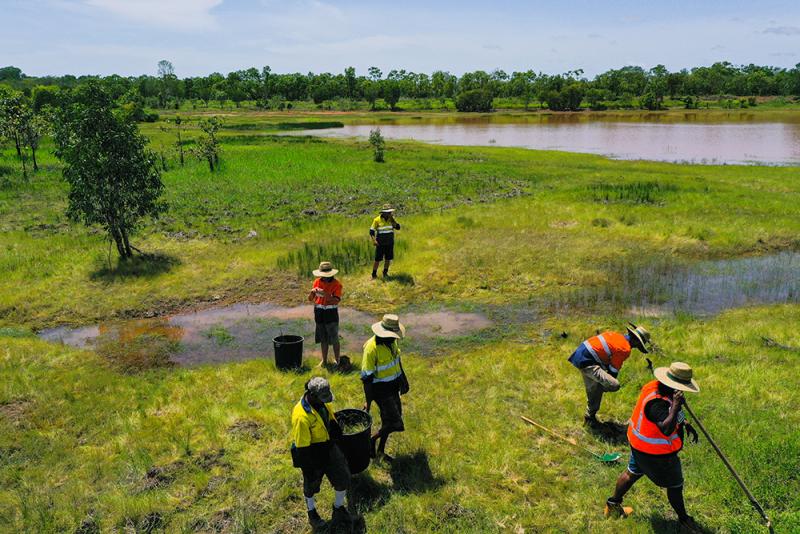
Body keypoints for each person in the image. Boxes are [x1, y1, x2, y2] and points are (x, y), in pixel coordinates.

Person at [605, 362, 702, 533]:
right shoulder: (656, 403)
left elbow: (669, 411)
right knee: (675, 485)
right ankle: (684, 520)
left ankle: (612, 505)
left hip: (639, 445)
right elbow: (666, 427)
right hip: (657, 456)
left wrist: (684, 422)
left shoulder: (655, 387)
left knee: (631, 473)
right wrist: (677, 405)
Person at [290, 377, 352, 530]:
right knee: (311, 486)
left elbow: (329, 417)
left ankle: (338, 508)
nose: (325, 402)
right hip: (311, 453)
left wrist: (335, 424)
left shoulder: (322, 403)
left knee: (343, 477)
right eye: (322, 399)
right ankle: (311, 513)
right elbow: (302, 448)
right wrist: (308, 469)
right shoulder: (301, 416)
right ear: (311, 395)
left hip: (328, 447)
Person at [567, 323, 651, 426]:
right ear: (637, 341)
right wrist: (605, 383)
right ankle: (593, 406)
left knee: (593, 389)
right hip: (588, 361)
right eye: (638, 345)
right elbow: (613, 372)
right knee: (614, 385)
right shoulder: (625, 348)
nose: (636, 347)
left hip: (579, 356)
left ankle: (589, 418)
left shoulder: (616, 335)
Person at [361, 314, 407, 462]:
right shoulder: (371, 348)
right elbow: (367, 379)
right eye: (392, 335)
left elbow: (396, 361)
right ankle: (371, 440)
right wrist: (368, 401)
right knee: (396, 423)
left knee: (388, 422)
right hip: (380, 390)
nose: (395, 337)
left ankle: (380, 451)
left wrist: (403, 379)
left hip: (393, 387)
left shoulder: (392, 343)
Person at [308, 261, 342, 367]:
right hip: (319, 314)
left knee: (334, 339)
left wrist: (325, 294)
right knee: (323, 339)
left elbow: (336, 301)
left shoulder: (337, 284)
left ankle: (337, 360)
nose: (325, 277)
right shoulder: (317, 282)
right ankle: (324, 360)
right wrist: (312, 293)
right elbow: (310, 299)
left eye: (327, 275)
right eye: (323, 275)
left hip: (331, 314)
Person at [370, 204, 401, 279]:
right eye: (388, 212)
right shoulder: (377, 220)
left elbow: (398, 227)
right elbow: (371, 231)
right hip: (380, 243)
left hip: (390, 242)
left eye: (390, 212)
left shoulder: (391, 219)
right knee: (377, 259)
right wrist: (374, 240)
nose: (390, 213)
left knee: (388, 258)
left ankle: (385, 272)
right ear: (383, 213)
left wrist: (393, 220)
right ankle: (374, 274)